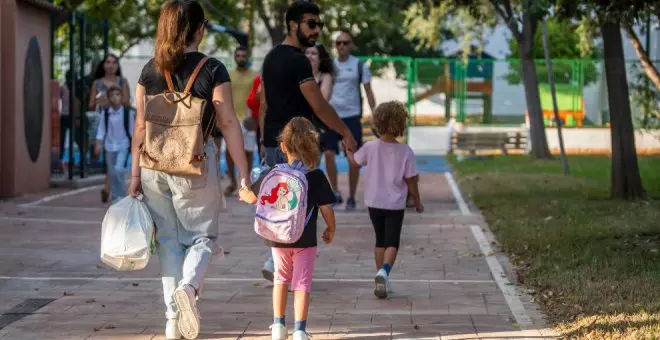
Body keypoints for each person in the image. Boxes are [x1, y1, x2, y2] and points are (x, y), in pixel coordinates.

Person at [127, 1, 251, 339]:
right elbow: (227, 121)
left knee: (167, 240)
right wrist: (242, 173)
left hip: (153, 163)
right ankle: (190, 288)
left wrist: (135, 175)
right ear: (199, 29)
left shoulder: (150, 69)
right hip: (195, 162)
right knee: (202, 236)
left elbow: (140, 125)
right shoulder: (213, 69)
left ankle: (172, 322)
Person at [258, 0, 357, 282]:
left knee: (280, 205)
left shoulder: (271, 57)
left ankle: (276, 261)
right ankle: (280, 263)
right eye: (311, 24)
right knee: (301, 207)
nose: (316, 30)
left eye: (319, 25)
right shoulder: (298, 60)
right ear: (293, 25)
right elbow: (319, 106)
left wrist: (265, 141)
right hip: (295, 147)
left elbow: (265, 103)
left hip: (275, 144)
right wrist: (346, 133)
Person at [245, 117, 337, 340]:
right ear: (312, 145)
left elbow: (251, 196)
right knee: (302, 283)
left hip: (278, 238)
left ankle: (278, 326)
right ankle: (300, 330)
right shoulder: (316, 176)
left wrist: (242, 191)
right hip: (305, 241)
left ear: (283, 146)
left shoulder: (274, 172)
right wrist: (330, 229)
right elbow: (326, 209)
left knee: (280, 279)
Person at [346, 101, 423, 299]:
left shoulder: (370, 147)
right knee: (392, 242)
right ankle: (385, 272)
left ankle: (381, 279)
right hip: (395, 204)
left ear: (377, 123)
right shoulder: (406, 151)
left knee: (380, 240)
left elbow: (354, 164)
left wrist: (348, 150)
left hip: (373, 202)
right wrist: (417, 200)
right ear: (400, 124)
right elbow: (411, 180)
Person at [327, 30, 377, 210]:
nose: (341, 46)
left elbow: (369, 92)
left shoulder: (359, 65)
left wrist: (375, 115)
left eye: (345, 43)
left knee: (353, 159)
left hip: (352, 116)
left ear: (351, 44)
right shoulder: (329, 66)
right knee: (328, 154)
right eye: (338, 43)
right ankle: (335, 193)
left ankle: (351, 197)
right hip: (331, 116)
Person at [88, 54, 131, 203]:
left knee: (115, 164)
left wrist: (113, 102)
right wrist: (101, 101)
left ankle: (110, 189)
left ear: (118, 66)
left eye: (114, 62)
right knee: (108, 158)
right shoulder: (97, 83)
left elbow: (126, 102)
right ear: (103, 65)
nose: (111, 65)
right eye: (108, 62)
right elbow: (91, 105)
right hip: (102, 121)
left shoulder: (122, 82)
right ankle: (110, 188)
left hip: (118, 121)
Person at [224, 46, 258, 196]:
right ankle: (232, 182)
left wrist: (256, 118)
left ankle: (246, 182)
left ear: (247, 57)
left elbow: (259, 98)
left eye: (244, 56)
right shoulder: (228, 75)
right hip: (232, 119)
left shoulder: (255, 75)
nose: (241, 58)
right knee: (228, 152)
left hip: (249, 119)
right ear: (234, 57)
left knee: (248, 152)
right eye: (238, 55)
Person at [93, 85, 135, 203]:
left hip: (123, 145)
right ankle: (116, 197)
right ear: (109, 98)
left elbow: (132, 131)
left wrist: (134, 146)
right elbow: (101, 130)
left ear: (121, 97)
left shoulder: (128, 113)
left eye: (118, 95)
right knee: (111, 173)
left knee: (118, 169)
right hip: (109, 146)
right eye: (112, 95)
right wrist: (98, 144)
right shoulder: (106, 113)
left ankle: (122, 196)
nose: (115, 98)